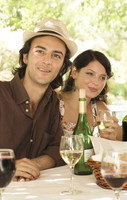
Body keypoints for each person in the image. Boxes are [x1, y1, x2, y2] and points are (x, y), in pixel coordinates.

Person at [0, 18, 77, 181]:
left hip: (35, 194)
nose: (47, 61)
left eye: (56, 56)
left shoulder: (53, 102)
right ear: (25, 57)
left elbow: (57, 148)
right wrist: (7, 166)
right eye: (40, 51)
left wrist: (34, 164)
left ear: (63, 67)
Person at [59, 49, 122, 140]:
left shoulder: (99, 109)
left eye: (102, 78)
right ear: (74, 72)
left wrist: (112, 138)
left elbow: (121, 144)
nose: (96, 82)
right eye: (90, 74)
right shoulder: (55, 101)